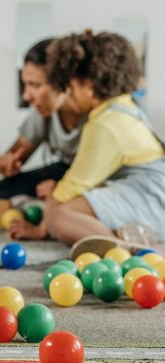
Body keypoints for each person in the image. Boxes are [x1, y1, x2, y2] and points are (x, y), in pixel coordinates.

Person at [43, 31, 165, 246]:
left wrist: (43, 224)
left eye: (70, 88)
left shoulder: (104, 124)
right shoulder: (125, 106)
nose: (68, 97)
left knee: (58, 216)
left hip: (150, 197)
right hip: (154, 192)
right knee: (76, 208)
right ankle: (127, 234)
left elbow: (72, 187)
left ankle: (123, 250)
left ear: (89, 87)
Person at [0, 38, 87, 239]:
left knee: (64, 202)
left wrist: (61, 192)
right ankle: (42, 210)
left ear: (62, 82)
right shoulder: (44, 112)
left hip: (93, 178)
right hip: (64, 169)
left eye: (35, 85)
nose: (26, 96)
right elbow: (17, 151)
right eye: (25, 85)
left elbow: (97, 178)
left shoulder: (95, 116)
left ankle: (49, 219)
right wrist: (6, 163)